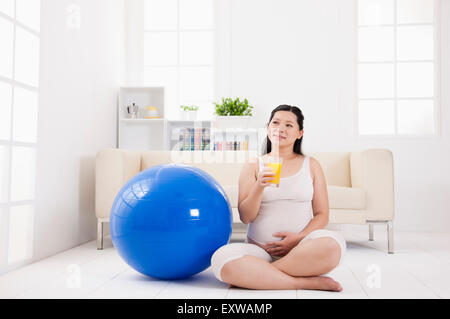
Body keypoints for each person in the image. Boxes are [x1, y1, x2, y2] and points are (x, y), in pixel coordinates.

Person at [210, 105, 346, 292]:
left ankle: (259, 276)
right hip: (259, 251)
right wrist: (259, 187)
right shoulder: (253, 165)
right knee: (221, 260)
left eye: (289, 125)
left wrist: (298, 238)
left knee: (333, 246)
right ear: (268, 128)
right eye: (275, 123)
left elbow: (322, 215)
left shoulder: (311, 165)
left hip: (301, 248)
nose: (280, 128)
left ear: (300, 133)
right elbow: (246, 217)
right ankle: (304, 282)